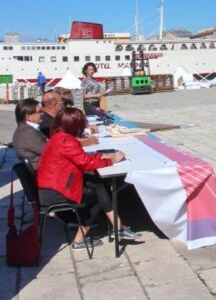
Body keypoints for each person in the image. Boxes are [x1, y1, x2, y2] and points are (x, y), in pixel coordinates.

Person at [36, 107, 140, 250]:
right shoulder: (66, 141)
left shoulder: (58, 136)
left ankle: (116, 229)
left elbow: (81, 158)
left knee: (98, 186)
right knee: (98, 193)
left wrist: (102, 157)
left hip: (51, 187)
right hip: (57, 191)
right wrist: (112, 160)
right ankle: (115, 229)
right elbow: (87, 163)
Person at [12, 98, 46, 170]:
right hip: (43, 172)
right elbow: (52, 152)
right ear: (28, 116)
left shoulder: (23, 129)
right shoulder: (29, 133)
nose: (42, 114)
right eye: (39, 111)